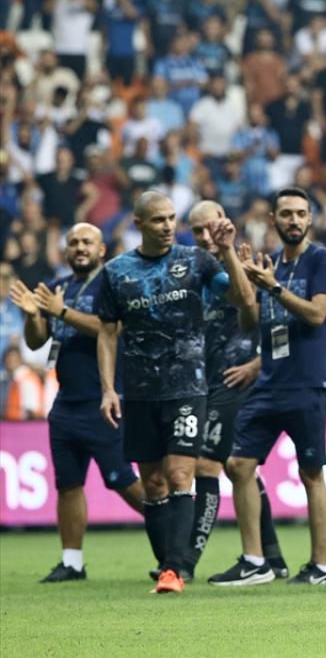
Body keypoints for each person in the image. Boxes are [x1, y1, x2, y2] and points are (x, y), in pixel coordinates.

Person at [97, 192, 250, 594]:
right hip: (140, 391)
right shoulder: (116, 272)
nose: (167, 226)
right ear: (139, 224)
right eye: (158, 220)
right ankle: (168, 563)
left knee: (181, 474)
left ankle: (174, 570)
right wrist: (108, 388)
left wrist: (229, 252)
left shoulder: (196, 260)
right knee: (152, 484)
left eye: (170, 218)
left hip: (187, 387)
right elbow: (107, 334)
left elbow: (240, 297)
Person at [207, 188, 326, 586]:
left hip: (307, 382)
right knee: (238, 465)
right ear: (273, 219)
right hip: (269, 383)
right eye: (286, 214)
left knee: (311, 472)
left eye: (300, 213)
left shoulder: (322, 260)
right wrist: (249, 284)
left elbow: (316, 316)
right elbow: (252, 324)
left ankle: (320, 567)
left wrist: (273, 288)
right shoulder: (271, 265)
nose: (294, 220)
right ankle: (255, 561)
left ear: (310, 218)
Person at [9, 224, 146, 583]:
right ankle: (71, 562)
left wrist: (62, 312)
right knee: (68, 484)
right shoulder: (59, 286)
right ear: (66, 250)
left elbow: (110, 329)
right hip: (66, 402)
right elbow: (37, 342)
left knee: (123, 481)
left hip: (106, 400)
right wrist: (33, 315)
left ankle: (174, 535)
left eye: (87, 242)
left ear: (102, 249)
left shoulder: (114, 283)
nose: (80, 247)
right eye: (73, 242)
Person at [185, 201, 287, 578]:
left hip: (237, 379)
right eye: (197, 231)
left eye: (210, 227)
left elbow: (278, 321)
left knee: (207, 464)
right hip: (207, 382)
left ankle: (184, 562)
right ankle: (273, 558)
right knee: (243, 471)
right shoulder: (191, 272)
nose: (204, 236)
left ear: (224, 224)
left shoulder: (250, 265)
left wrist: (258, 363)